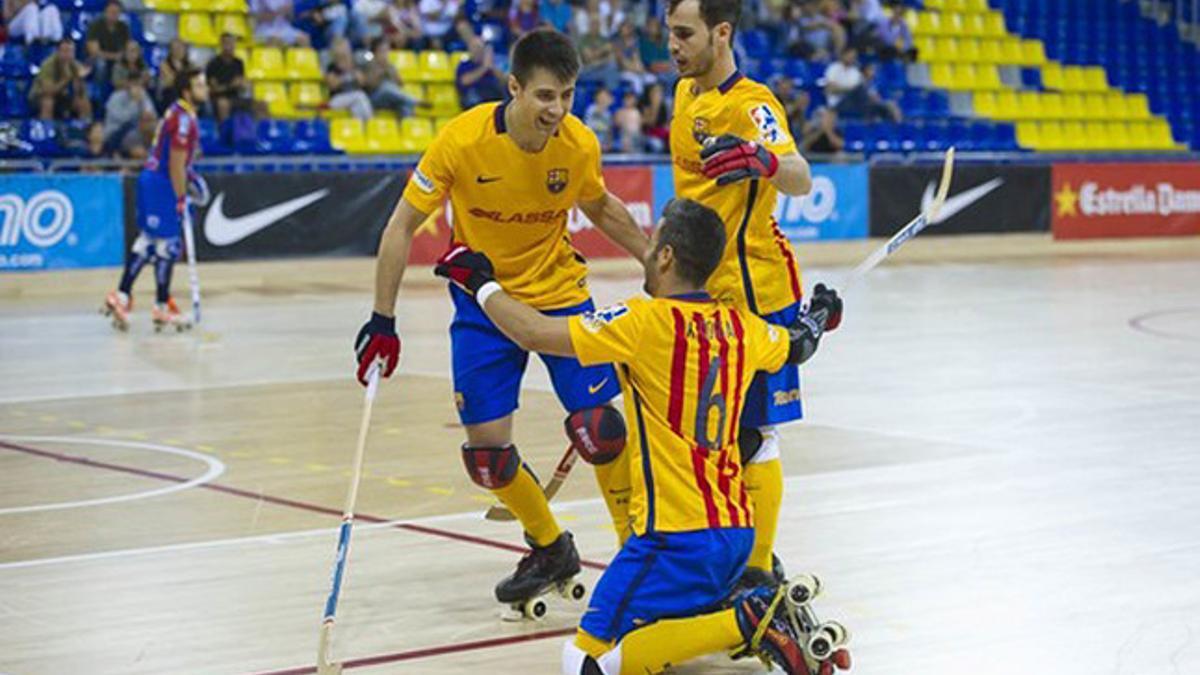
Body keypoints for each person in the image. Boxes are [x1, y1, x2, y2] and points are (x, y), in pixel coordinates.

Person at [429, 199, 846, 675]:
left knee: (584, 661)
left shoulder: (642, 323)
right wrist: (819, 313)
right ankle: (745, 614)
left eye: (653, 243)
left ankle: (747, 621)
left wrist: (479, 282)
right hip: (736, 532)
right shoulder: (742, 327)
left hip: (673, 536)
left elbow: (533, 332)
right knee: (646, 637)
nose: (646, 252)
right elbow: (797, 344)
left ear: (666, 256)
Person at [353, 29, 650, 608]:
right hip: (482, 306)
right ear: (513, 87)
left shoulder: (578, 144)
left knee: (600, 428)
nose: (556, 110)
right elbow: (399, 228)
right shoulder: (461, 141)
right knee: (487, 458)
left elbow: (601, 206)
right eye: (544, 96)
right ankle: (548, 546)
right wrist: (382, 319)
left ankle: (637, 551)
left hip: (560, 293)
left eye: (566, 95)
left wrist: (650, 259)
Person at [666, 0, 819, 588]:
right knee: (712, 434)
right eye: (670, 34)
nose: (674, 46)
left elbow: (800, 176)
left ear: (721, 32)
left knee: (753, 434)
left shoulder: (752, 103)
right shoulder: (685, 96)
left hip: (757, 289)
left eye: (685, 34)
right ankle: (728, 552)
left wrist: (763, 159)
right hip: (701, 292)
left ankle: (759, 568)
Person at [103, 69, 209, 332]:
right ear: (187, 90)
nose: (205, 89)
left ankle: (122, 295)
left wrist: (188, 170)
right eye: (199, 85)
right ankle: (161, 306)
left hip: (151, 180)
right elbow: (175, 162)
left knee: (148, 241)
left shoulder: (177, 111)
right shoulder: (184, 119)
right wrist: (181, 196)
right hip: (163, 184)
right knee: (168, 246)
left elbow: (178, 157)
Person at [29, 38, 92, 121]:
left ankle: (85, 129)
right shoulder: (48, 65)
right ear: (58, 52)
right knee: (48, 102)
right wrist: (67, 78)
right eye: (65, 51)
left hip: (64, 96)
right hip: (40, 95)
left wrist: (79, 79)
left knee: (83, 102)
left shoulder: (75, 65)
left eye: (71, 51)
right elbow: (48, 91)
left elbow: (80, 92)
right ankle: (47, 130)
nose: (68, 54)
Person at [363, 37, 422, 118]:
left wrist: (391, 73)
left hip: (391, 100)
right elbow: (368, 85)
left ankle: (407, 126)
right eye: (382, 51)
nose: (385, 54)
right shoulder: (369, 64)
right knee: (386, 86)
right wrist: (380, 73)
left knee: (405, 105)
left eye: (387, 51)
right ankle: (414, 101)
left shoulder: (390, 66)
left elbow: (400, 85)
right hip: (374, 100)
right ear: (375, 52)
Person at [206, 33, 252, 124]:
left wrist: (244, 85)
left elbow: (241, 84)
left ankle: (259, 134)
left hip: (236, 97)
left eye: (232, 43)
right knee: (223, 104)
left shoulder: (239, 63)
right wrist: (230, 85)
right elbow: (214, 89)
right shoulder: (213, 64)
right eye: (227, 43)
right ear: (221, 45)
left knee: (261, 104)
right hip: (218, 98)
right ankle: (225, 133)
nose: (230, 46)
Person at [325, 36, 373, 120]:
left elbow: (363, 82)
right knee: (360, 96)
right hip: (336, 99)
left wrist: (355, 73)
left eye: (345, 49)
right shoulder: (332, 66)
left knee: (357, 106)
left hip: (354, 99)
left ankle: (359, 130)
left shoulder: (355, 63)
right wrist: (346, 75)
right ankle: (370, 123)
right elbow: (332, 85)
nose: (344, 52)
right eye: (341, 48)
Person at [85, 0, 130, 86]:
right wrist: (115, 56)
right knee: (101, 64)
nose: (114, 14)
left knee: (127, 64)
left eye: (116, 12)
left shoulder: (123, 27)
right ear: (105, 12)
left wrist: (122, 55)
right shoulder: (95, 26)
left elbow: (128, 47)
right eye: (111, 12)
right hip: (97, 59)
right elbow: (94, 51)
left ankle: (120, 89)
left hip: (117, 58)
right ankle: (100, 93)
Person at [454, 36, 505, 109]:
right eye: (474, 47)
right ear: (469, 49)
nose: (477, 50)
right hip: (473, 98)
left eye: (479, 48)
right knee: (473, 96)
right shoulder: (464, 64)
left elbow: (503, 81)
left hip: (492, 96)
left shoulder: (492, 65)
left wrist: (491, 66)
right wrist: (484, 68)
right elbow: (464, 81)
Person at [156, 38, 191, 110]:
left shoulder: (190, 64)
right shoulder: (164, 64)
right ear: (171, 50)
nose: (179, 51)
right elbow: (171, 81)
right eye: (176, 48)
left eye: (181, 48)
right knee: (174, 92)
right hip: (168, 93)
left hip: (185, 92)